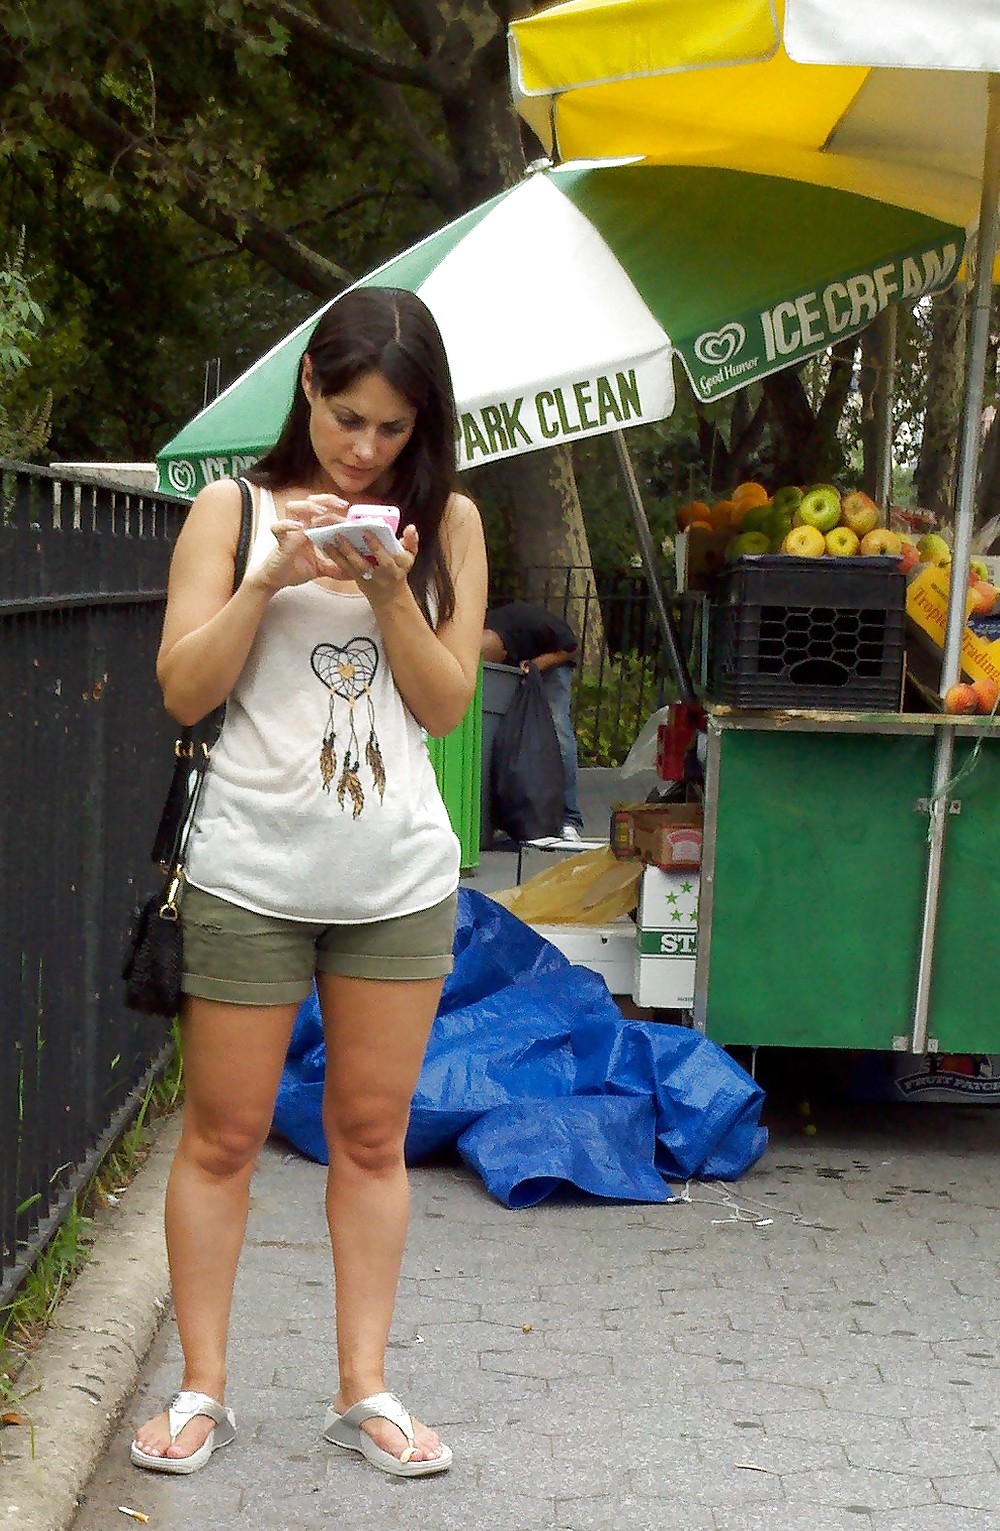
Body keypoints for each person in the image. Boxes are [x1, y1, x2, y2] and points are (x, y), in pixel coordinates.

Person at [130, 288, 487, 1480]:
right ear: (308, 393)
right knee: (224, 1136)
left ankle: (365, 1390)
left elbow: (443, 706)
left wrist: (389, 584)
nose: (363, 446)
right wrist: (269, 577)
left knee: (372, 1136)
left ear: (421, 424)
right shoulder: (229, 513)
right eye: (346, 417)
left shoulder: (453, 527)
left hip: (394, 877)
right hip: (246, 871)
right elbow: (184, 688)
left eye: (391, 427)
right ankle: (200, 1390)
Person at [481, 601, 585, 840]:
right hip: (519, 668)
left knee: (557, 732)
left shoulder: (535, 625)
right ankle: (509, 817)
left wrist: (538, 665)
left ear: (505, 652)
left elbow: (571, 648)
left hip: (552, 664)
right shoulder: (484, 629)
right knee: (505, 736)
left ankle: (569, 819)